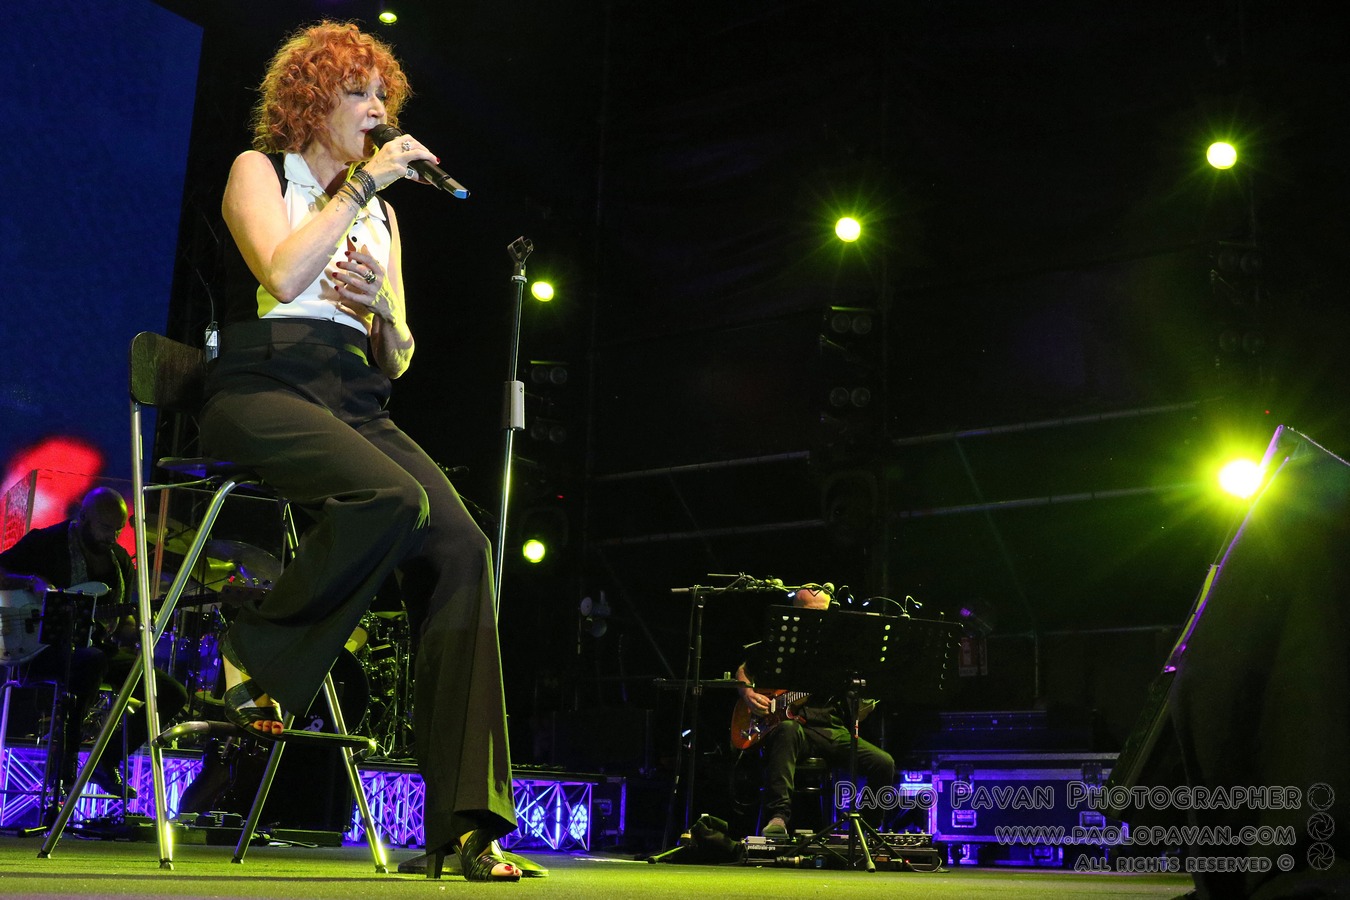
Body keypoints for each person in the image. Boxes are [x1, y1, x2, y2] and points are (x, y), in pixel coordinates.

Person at [199, 21, 519, 881]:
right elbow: (280, 274)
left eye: (383, 95)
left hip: (353, 395)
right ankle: (255, 648)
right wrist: (362, 186)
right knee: (393, 499)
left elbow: (398, 357)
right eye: (359, 92)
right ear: (312, 99)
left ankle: (467, 825)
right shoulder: (263, 171)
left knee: (465, 548)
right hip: (264, 385)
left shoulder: (383, 216)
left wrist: (381, 307)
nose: (378, 109)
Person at [0, 487, 188, 803]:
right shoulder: (46, 542)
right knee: (91, 661)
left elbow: (122, 627)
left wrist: (138, 626)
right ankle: (64, 770)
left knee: (172, 694)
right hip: (38, 651)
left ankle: (105, 760)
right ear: (84, 516)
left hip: (96, 650)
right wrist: (30, 582)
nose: (112, 537)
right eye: (105, 528)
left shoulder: (119, 561)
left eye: (118, 530)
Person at [734, 585, 895, 838]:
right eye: (812, 612)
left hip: (831, 729)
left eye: (824, 612)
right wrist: (748, 694)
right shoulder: (781, 642)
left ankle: (867, 829)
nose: (820, 618)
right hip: (795, 728)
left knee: (884, 763)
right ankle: (778, 818)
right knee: (786, 730)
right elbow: (744, 669)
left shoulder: (841, 647)